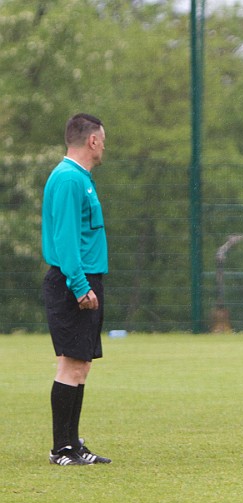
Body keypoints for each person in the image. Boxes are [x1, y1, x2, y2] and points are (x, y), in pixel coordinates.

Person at [42, 113, 112, 466]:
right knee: (70, 366)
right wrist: (81, 286)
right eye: (104, 139)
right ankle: (61, 449)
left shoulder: (79, 178)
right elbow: (66, 239)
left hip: (82, 279)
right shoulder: (70, 179)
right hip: (73, 282)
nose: (105, 146)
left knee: (80, 366)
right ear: (93, 141)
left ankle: (73, 442)